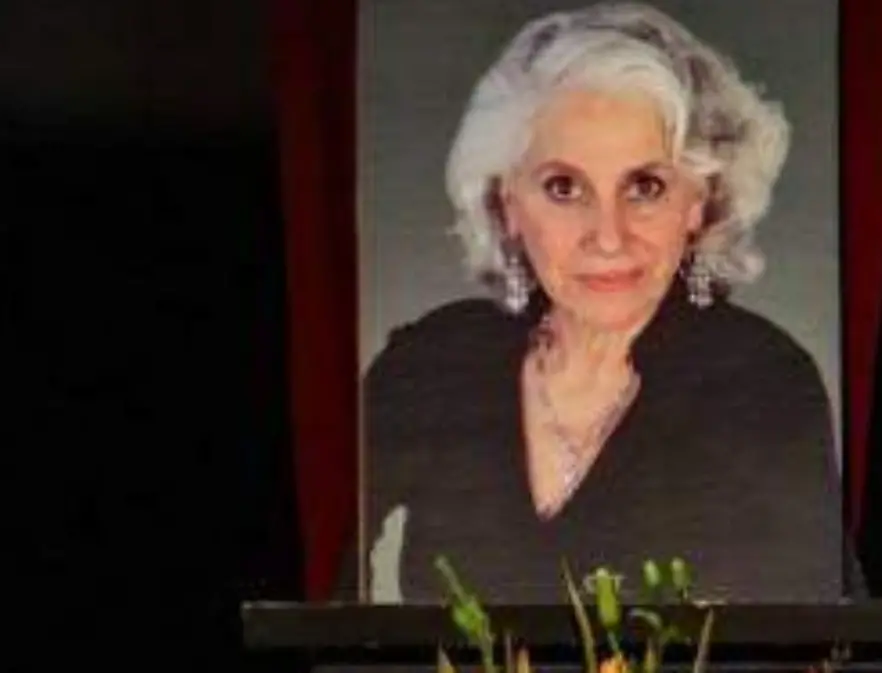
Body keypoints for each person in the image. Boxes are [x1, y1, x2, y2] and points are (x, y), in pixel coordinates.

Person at [338, 2, 846, 605]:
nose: (608, 237)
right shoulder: (432, 365)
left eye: (645, 187)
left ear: (698, 202)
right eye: (564, 187)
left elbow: (816, 633)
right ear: (507, 204)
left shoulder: (762, 383)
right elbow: (319, 610)